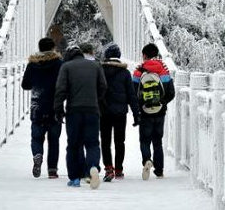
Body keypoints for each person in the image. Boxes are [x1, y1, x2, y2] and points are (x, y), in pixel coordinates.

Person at [54, 44, 107, 189]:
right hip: (92, 110)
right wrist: (95, 99)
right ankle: (93, 168)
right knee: (92, 143)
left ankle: (75, 178)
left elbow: (60, 90)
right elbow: (103, 86)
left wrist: (58, 110)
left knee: (73, 145)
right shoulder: (95, 66)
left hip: (74, 111)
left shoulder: (66, 67)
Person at [21, 37, 63, 179]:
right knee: (54, 140)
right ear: (53, 48)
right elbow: (63, 83)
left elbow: (25, 85)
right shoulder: (59, 63)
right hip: (54, 106)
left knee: (37, 137)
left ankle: (37, 155)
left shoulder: (32, 64)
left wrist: (37, 82)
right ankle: (52, 171)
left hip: (37, 105)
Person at [132, 42, 175, 179]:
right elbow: (171, 93)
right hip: (160, 112)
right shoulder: (164, 70)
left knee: (144, 140)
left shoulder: (139, 71)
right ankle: (160, 170)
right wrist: (162, 103)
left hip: (145, 112)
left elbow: (133, 93)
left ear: (144, 55)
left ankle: (147, 160)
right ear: (157, 55)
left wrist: (139, 107)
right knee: (157, 141)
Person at [99, 42, 139, 181]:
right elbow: (131, 95)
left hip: (103, 112)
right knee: (119, 141)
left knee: (105, 141)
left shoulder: (100, 70)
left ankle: (108, 168)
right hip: (120, 112)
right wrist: (136, 114)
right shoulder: (125, 73)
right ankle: (119, 169)